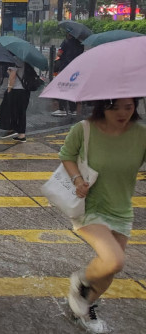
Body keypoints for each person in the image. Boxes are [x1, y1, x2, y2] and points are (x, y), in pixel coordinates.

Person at [61, 98, 146, 333]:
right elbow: (67, 155)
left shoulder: (141, 134)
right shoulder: (84, 129)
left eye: (129, 107)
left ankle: (84, 306)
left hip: (122, 210)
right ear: (103, 106)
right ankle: (80, 282)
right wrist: (77, 179)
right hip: (90, 207)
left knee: (109, 271)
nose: (123, 113)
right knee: (114, 260)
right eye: (115, 107)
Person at [52, 34, 83, 117]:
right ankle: (73, 110)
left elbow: (59, 53)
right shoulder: (80, 44)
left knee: (63, 87)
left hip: (65, 68)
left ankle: (62, 109)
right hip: (75, 69)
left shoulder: (66, 42)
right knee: (72, 88)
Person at [3, 64, 29, 141]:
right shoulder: (27, 61)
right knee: (22, 112)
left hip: (16, 89)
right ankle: (21, 134)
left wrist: (9, 89)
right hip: (26, 89)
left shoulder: (15, 60)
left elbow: (13, 75)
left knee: (12, 110)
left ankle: (13, 129)